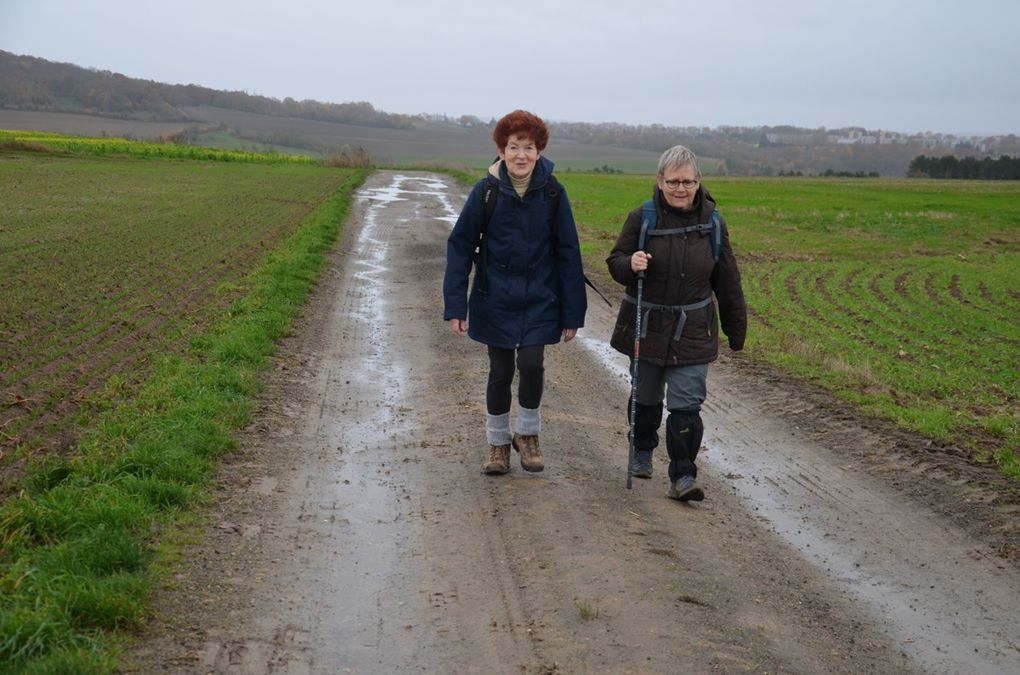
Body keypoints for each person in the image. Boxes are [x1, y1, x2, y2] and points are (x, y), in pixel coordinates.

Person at [444, 110, 588, 476]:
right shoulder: (486, 191)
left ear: (539, 151)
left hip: (541, 297)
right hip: (495, 298)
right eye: (513, 147)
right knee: (501, 370)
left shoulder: (554, 193)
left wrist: (573, 314)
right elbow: (460, 246)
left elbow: (569, 252)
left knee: (531, 364)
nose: (521, 154)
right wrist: (455, 305)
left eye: (528, 147)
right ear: (501, 150)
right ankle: (497, 444)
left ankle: (527, 435)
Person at [606, 145, 746, 501]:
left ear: (699, 182)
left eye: (687, 182)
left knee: (686, 405)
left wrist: (736, 330)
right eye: (673, 182)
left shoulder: (713, 224)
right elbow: (616, 262)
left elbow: (728, 281)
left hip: (693, 330)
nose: (680, 189)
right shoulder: (643, 218)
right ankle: (641, 448)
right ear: (660, 181)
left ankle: (683, 475)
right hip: (648, 326)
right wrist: (631, 263)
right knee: (646, 397)